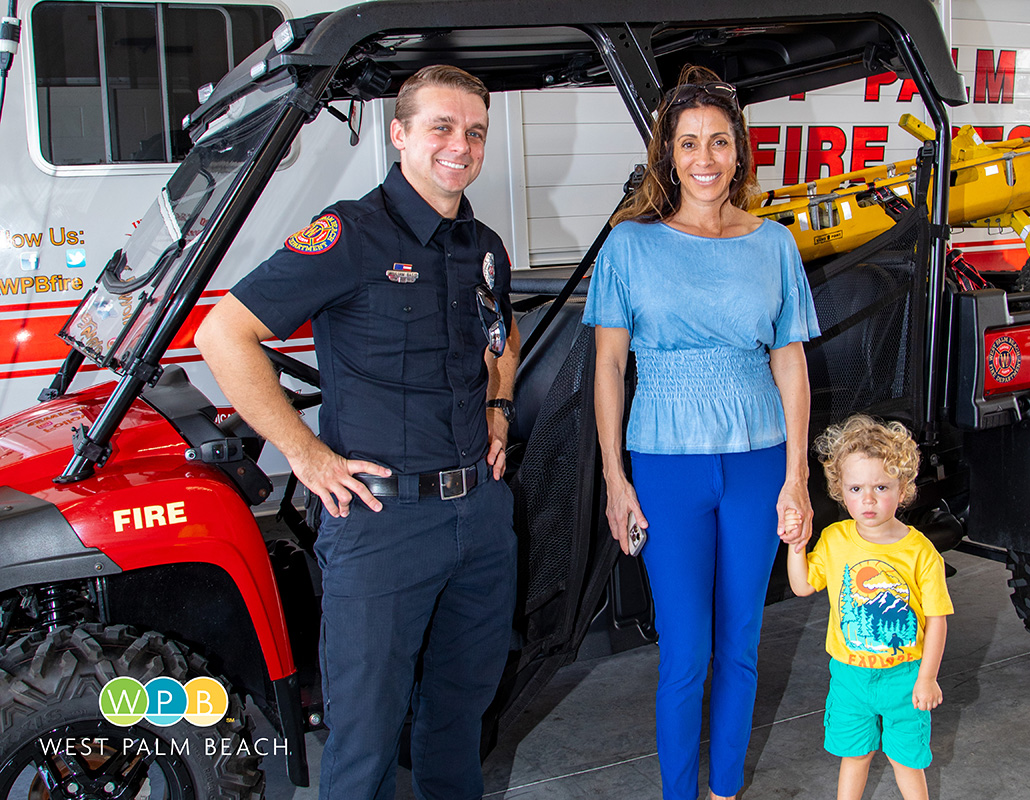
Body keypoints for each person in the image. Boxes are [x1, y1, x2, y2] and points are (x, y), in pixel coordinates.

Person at [195, 64, 520, 800]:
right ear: (398, 134)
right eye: (441, 127)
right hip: (383, 525)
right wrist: (305, 455)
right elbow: (226, 336)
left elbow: (504, 333)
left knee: (457, 724)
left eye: (474, 131)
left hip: (480, 517)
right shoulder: (350, 233)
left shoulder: (484, 245)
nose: (459, 146)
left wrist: (499, 407)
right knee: (364, 744)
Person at [585, 65, 821, 800]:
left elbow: (791, 366)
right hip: (665, 467)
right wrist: (614, 478)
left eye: (719, 141)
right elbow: (608, 367)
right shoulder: (630, 245)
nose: (706, 159)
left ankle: (725, 793)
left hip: (756, 464)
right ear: (669, 155)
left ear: (740, 152)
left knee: (742, 646)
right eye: (689, 144)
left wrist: (797, 475)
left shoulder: (774, 243)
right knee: (686, 652)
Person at [785, 415, 954, 800]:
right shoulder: (835, 538)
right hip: (850, 679)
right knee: (854, 756)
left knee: (907, 761)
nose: (869, 499)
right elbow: (803, 585)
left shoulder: (920, 552)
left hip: (905, 678)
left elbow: (937, 621)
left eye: (881, 486)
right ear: (840, 490)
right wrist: (797, 546)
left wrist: (927, 678)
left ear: (903, 487)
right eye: (856, 488)